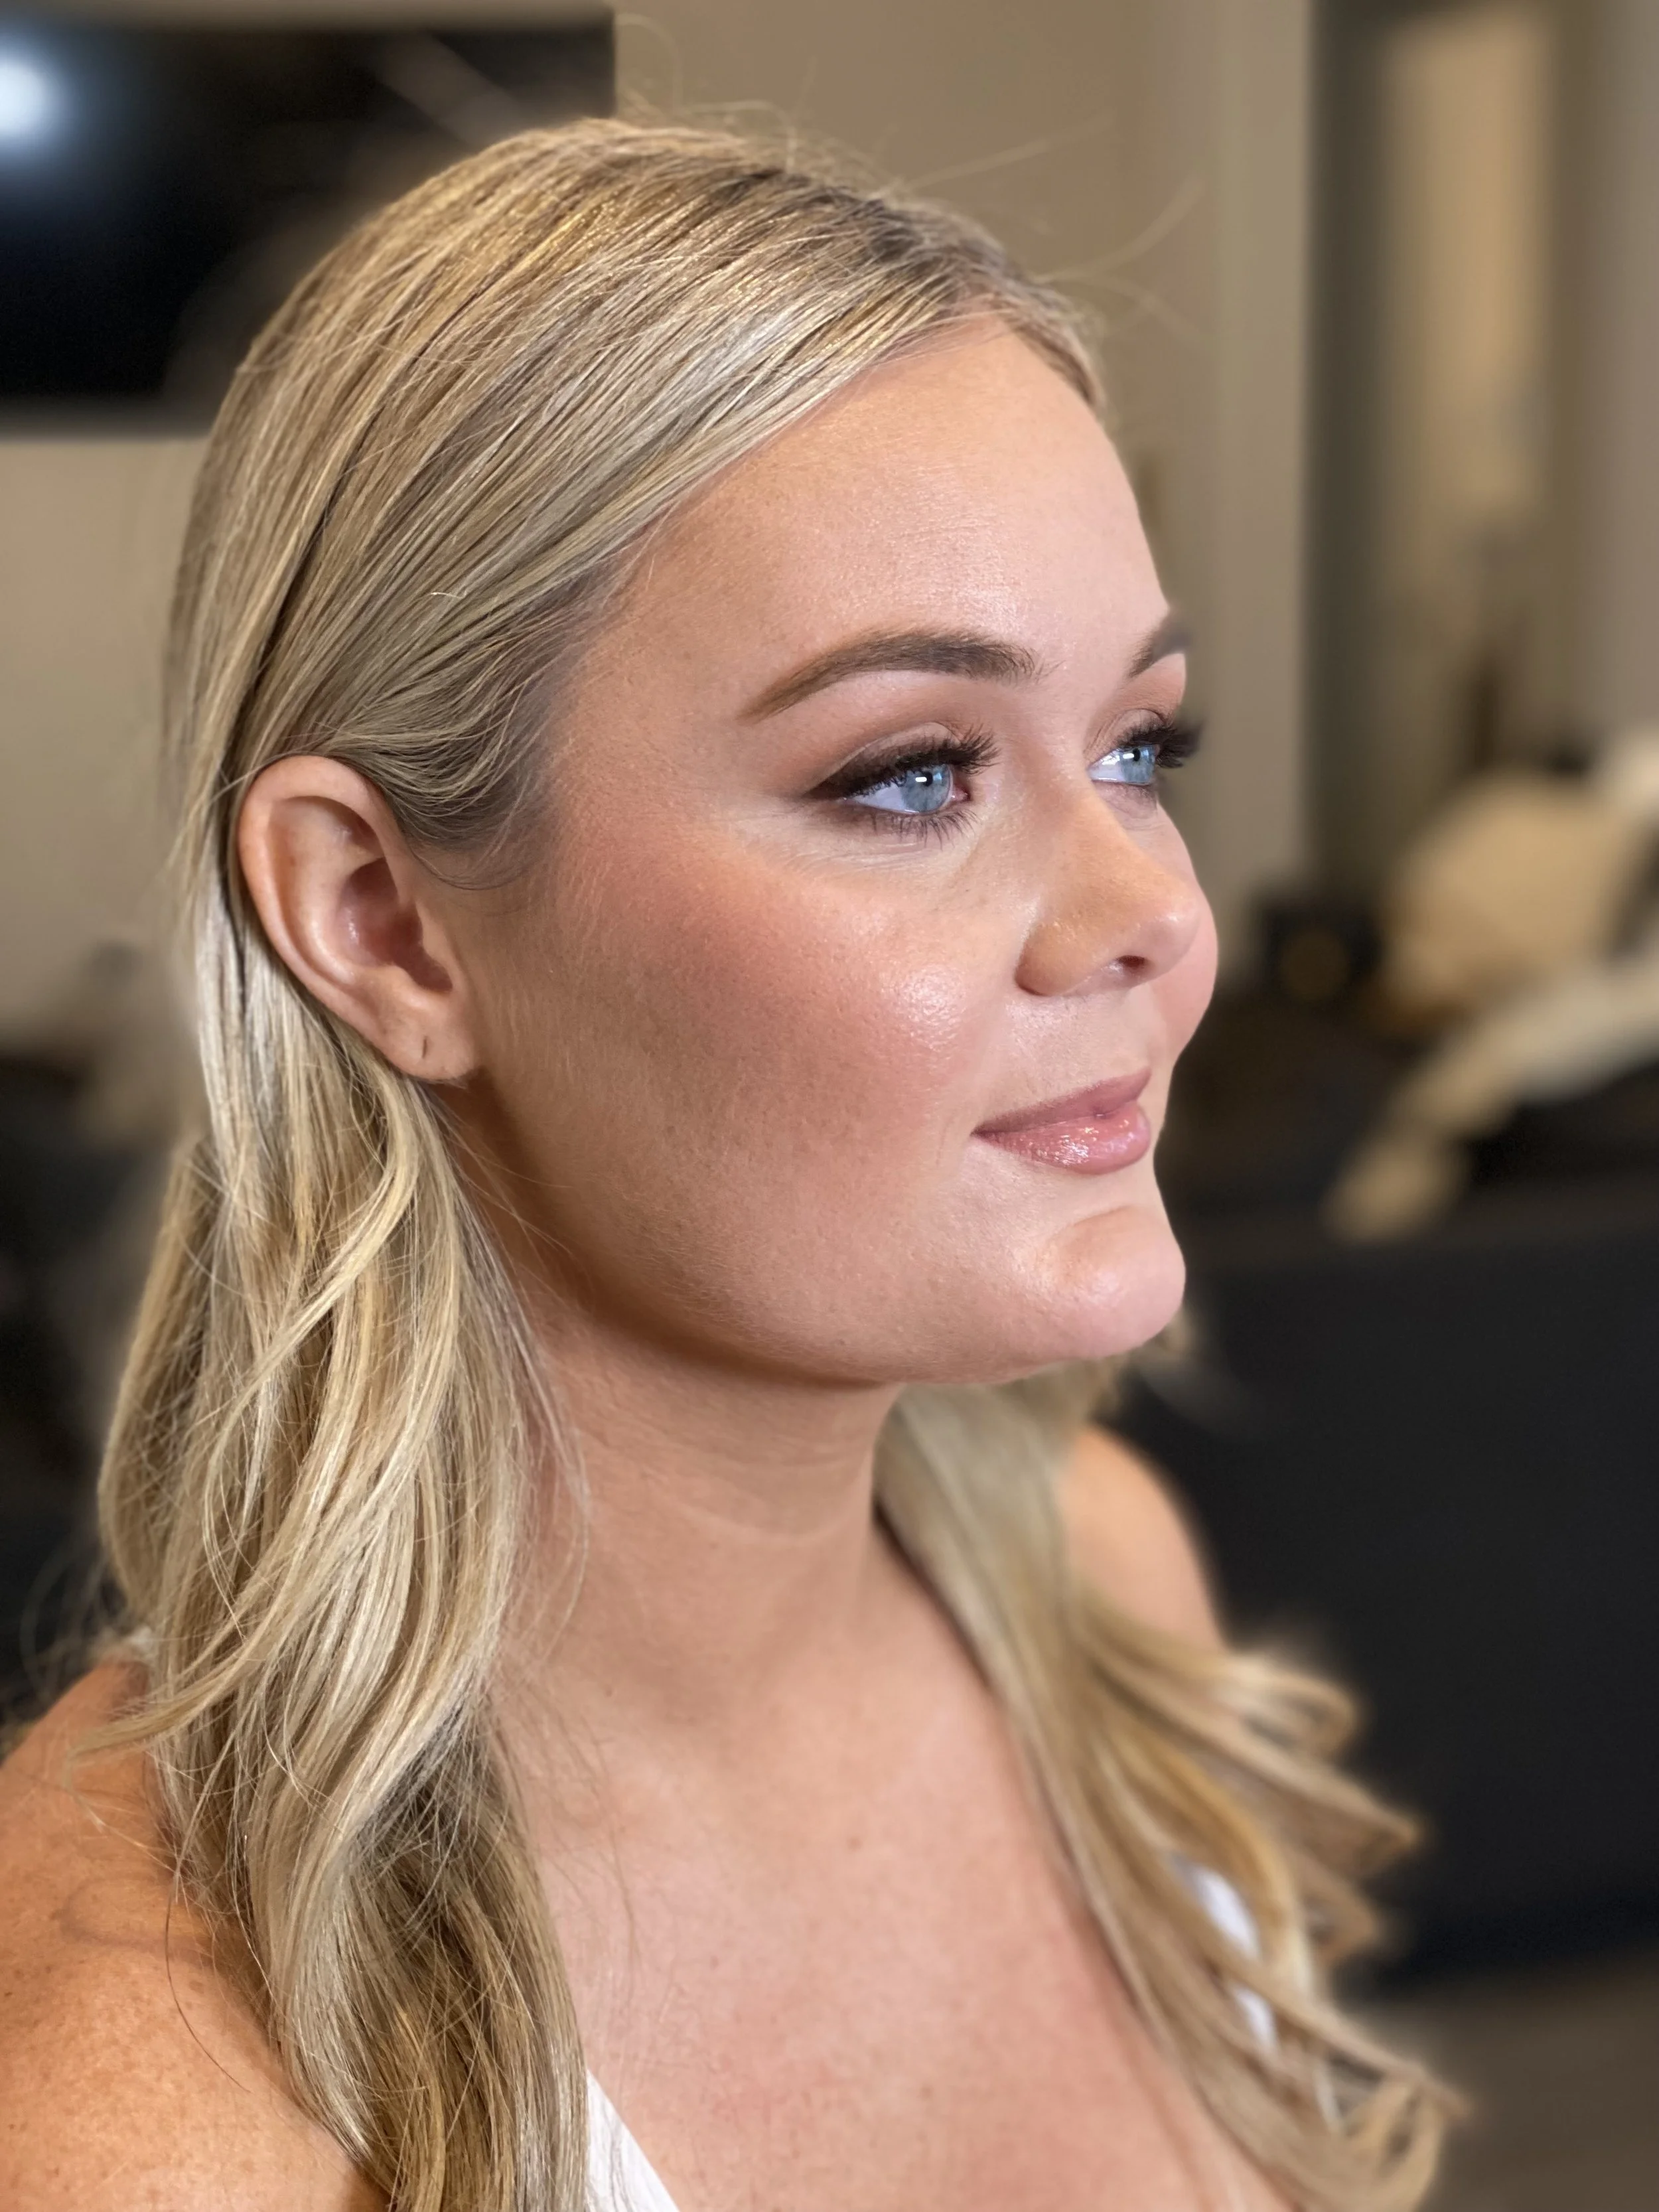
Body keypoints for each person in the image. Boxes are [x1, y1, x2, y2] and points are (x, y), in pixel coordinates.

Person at [0, 123, 1449, 2212]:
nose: (1153, 914)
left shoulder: (1088, 1589)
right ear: (384, 921)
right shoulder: (154, 2099)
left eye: (1138, 744)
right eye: (908, 773)